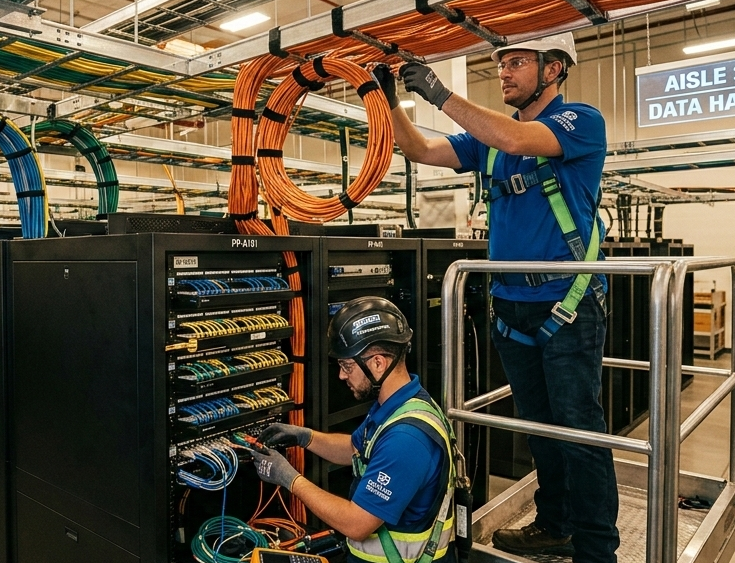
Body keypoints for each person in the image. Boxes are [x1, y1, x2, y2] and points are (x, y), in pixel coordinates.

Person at [373, 32, 618, 562]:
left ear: (553, 70)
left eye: (517, 63)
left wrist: (440, 93)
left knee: (580, 432)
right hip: (510, 308)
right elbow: (418, 149)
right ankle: (554, 524)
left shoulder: (580, 122)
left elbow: (517, 140)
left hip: (566, 303)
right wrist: (389, 102)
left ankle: (598, 551)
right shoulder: (485, 140)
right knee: (539, 431)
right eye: (501, 63)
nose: (504, 71)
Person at [250, 297, 459, 563]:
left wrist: (289, 478)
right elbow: (354, 448)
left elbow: (356, 524)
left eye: (347, 366)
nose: (341, 375)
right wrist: (304, 437)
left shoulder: (406, 439)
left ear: (378, 363)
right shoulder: (400, 404)